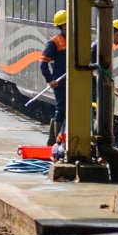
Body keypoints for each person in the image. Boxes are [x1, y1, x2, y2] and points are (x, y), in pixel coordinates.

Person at [40, 8, 68, 142]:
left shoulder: (76, 41)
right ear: (62, 26)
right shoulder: (54, 42)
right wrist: (50, 79)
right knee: (61, 109)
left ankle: (56, 139)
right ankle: (58, 140)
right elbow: (43, 64)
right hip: (60, 82)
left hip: (73, 81)